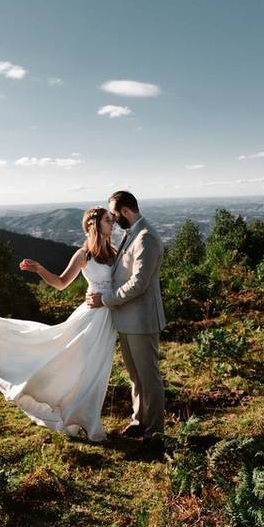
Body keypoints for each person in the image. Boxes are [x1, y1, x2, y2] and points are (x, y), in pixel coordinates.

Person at [0, 206, 118, 442]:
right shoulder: (83, 255)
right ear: (94, 225)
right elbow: (62, 283)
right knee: (83, 366)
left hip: (109, 317)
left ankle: (83, 418)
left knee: (99, 370)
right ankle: (83, 420)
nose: (112, 223)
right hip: (91, 318)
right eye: (108, 220)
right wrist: (40, 269)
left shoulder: (114, 252)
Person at [86, 190, 166, 455]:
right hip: (127, 320)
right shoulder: (130, 233)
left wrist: (107, 299)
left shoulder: (147, 238)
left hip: (142, 319)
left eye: (115, 214)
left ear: (127, 211)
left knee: (149, 377)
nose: (113, 218)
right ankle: (138, 420)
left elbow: (139, 283)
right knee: (135, 376)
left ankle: (154, 434)